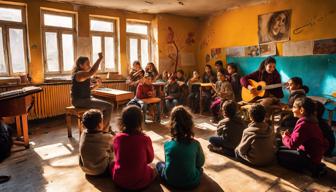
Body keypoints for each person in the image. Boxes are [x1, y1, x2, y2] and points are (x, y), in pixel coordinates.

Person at [277, 97, 329, 177]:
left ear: (301, 110)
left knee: (279, 155)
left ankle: (310, 169)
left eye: (294, 107)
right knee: (280, 148)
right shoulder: (311, 120)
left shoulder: (304, 124)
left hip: (309, 157)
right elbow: (298, 139)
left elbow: (292, 144)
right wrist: (288, 136)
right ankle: (315, 166)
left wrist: (284, 137)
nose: (292, 109)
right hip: (311, 154)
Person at [156, 106, 205, 189]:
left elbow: (168, 163)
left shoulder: (167, 144)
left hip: (170, 181)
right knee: (200, 170)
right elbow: (200, 163)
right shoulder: (196, 144)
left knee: (159, 164)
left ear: (172, 125)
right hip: (192, 183)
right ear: (189, 124)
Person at [111, 106, 156, 190]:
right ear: (140, 121)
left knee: (112, 163)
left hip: (119, 181)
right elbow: (150, 160)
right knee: (154, 168)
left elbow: (117, 156)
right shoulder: (145, 139)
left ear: (123, 120)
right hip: (141, 182)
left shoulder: (117, 137)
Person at [71, 53, 113, 131]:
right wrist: (100, 58)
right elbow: (92, 71)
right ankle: (104, 130)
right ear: (80, 65)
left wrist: (97, 85)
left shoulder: (84, 75)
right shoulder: (79, 74)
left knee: (105, 106)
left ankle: (102, 127)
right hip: (79, 101)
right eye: (87, 64)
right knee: (109, 106)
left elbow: (87, 90)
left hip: (85, 99)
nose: (89, 66)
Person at [79, 109, 113, 176]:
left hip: (85, 169)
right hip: (101, 171)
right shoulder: (107, 137)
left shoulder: (83, 134)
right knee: (112, 150)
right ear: (100, 125)